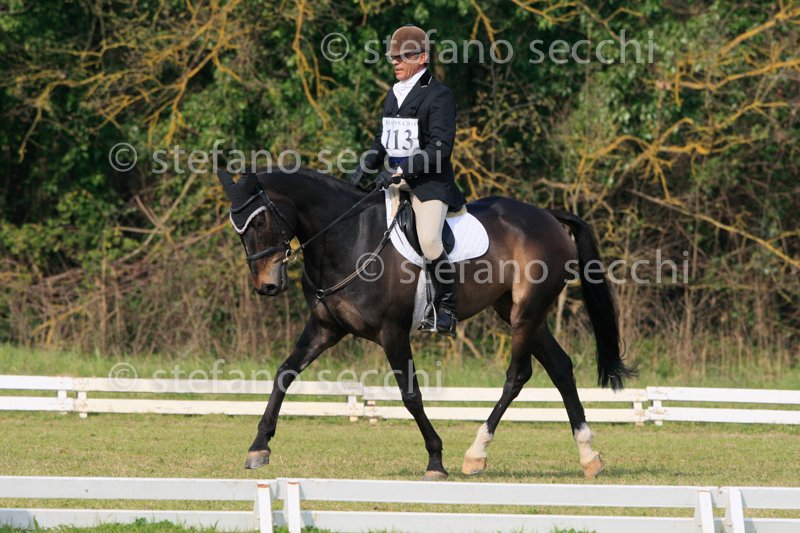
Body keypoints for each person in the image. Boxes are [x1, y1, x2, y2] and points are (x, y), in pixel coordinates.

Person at [352, 24, 467, 336]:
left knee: (429, 240)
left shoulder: (440, 95)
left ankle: (447, 309)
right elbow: (384, 139)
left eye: (403, 56)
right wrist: (366, 163)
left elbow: (440, 148)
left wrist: (402, 171)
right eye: (393, 57)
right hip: (392, 180)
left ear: (422, 58)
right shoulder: (394, 93)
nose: (396, 62)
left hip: (428, 184)